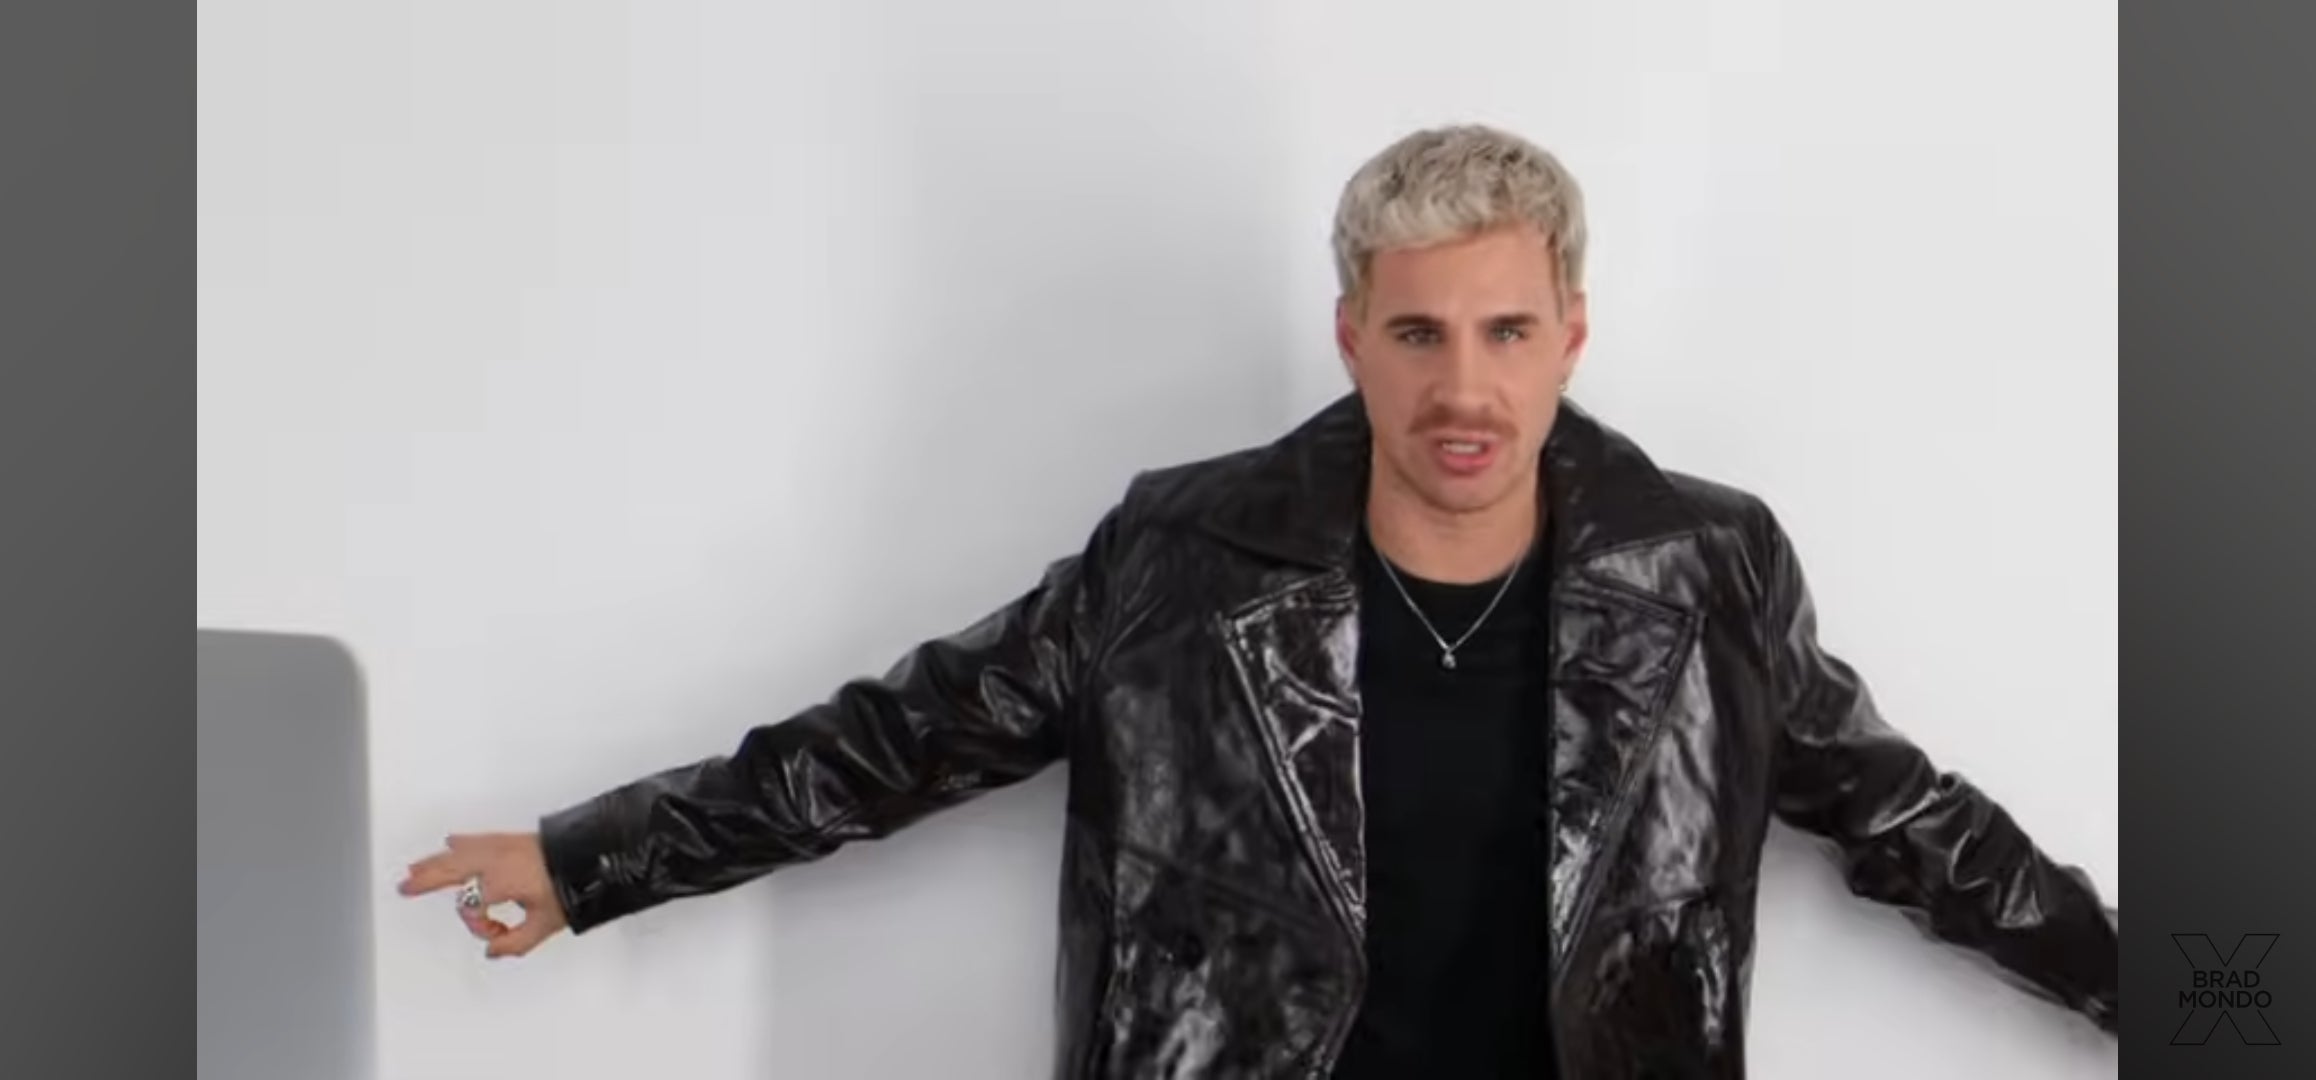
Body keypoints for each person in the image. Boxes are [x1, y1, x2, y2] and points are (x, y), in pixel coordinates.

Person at [400, 124, 2119, 1077]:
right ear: (1351, 334)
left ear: (1571, 337)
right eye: (1419, 332)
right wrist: (593, 857)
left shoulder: (1703, 571)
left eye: (1507, 333)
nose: (1464, 388)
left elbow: (1915, 826)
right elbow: (900, 739)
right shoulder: (1182, 560)